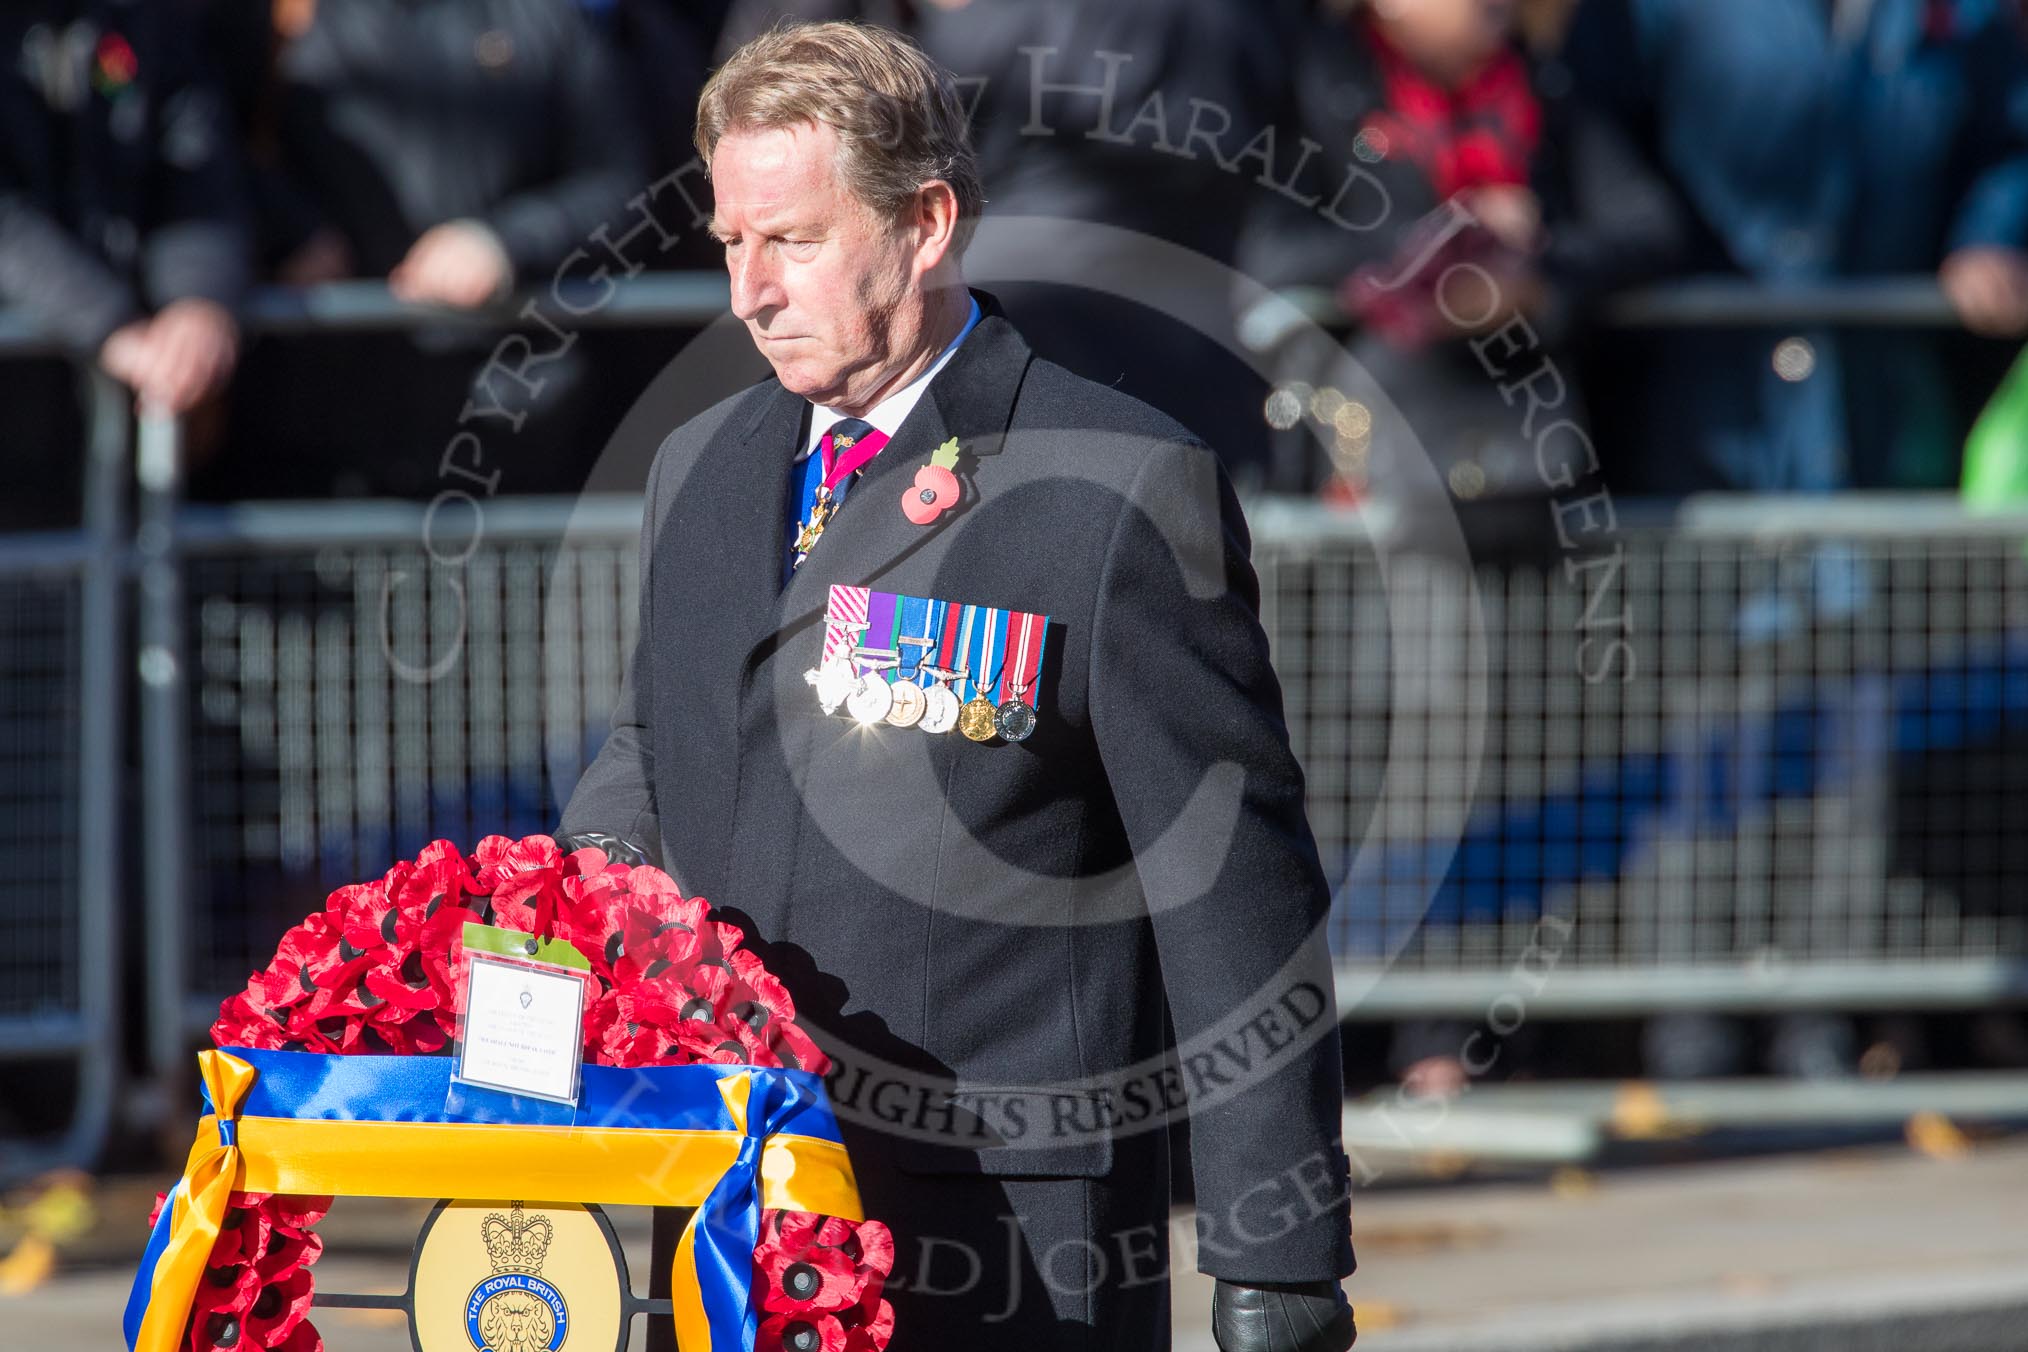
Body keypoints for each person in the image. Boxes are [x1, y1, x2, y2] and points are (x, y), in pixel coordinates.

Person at [558, 21, 1356, 1352]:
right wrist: (578, 885)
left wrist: (1276, 1257)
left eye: (794, 242)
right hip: (726, 1205)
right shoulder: (699, 462)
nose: (750, 292)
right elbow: (663, 732)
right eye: (730, 247)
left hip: (1002, 1231)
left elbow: (1232, 884)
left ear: (925, 224)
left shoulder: (1111, 479)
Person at [1565, 0, 2028, 493]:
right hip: (1706, 415)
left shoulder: (1960, 14)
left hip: (1890, 408)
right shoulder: (1644, 13)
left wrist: (1986, 236)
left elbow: (2007, 140)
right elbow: (1594, 150)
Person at [0, 0, 251, 524]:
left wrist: (198, 302)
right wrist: (108, 322)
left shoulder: (149, 27)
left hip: (109, 432)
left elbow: (198, 179)